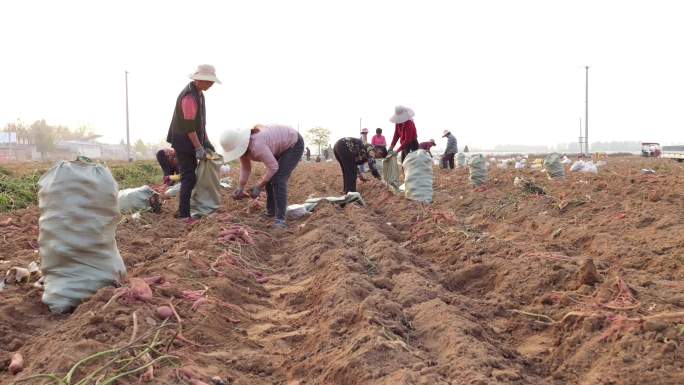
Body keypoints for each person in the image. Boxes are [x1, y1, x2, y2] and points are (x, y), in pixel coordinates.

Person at [221, 124, 304, 229]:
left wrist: (259, 186)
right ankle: (271, 211)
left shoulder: (257, 145)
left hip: (293, 143)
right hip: (280, 146)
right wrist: (240, 187)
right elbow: (246, 168)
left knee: (278, 180)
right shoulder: (244, 150)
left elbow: (273, 167)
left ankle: (280, 220)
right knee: (269, 179)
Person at [166, 64, 220, 222]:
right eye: (208, 81)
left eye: (212, 82)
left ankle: (191, 206)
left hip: (193, 139)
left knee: (192, 176)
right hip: (183, 142)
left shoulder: (200, 94)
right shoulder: (189, 96)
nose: (211, 84)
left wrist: (207, 143)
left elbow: (201, 124)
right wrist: (198, 147)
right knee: (189, 177)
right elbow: (189, 127)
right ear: (199, 79)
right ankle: (184, 214)